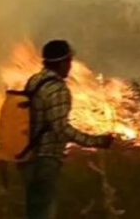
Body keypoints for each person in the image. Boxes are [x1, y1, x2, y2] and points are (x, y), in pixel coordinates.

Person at [18, 39, 115, 219]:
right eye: (69, 61)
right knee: (44, 211)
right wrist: (95, 141)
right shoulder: (57, 89)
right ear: (62, 62)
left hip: (27, 155)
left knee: (33, 210)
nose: (70, 66)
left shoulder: (35, 81)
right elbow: (60, 128)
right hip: (46, 158)